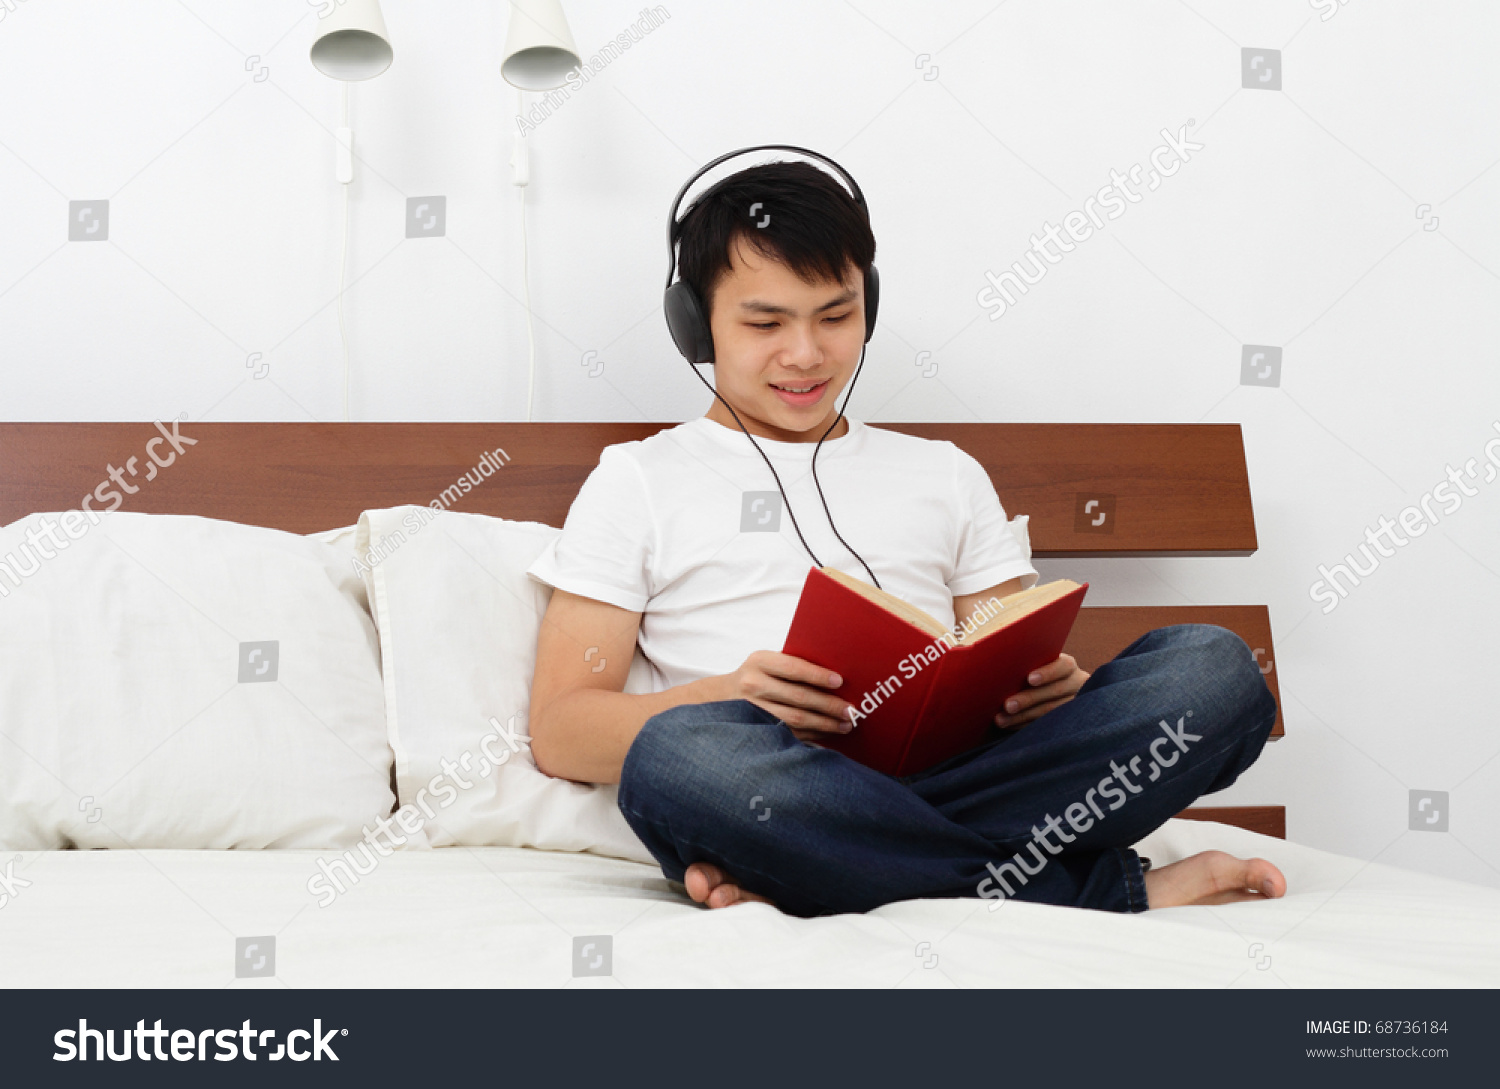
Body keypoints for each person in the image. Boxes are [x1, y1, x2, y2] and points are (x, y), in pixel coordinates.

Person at [525, 155, 1285, 917]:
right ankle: (1089, 890)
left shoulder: (944, 473)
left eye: (835, 316)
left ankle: (837, 870)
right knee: (678, 759)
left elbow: (1005, 653)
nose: (806, 354)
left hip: (963, 782)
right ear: (694, 323)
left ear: (870, 303)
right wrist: (725, 695)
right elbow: (561, 730)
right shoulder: (637, 480)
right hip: (771, 787)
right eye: (765, 323)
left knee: (1215, 669)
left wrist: (1061, 696)